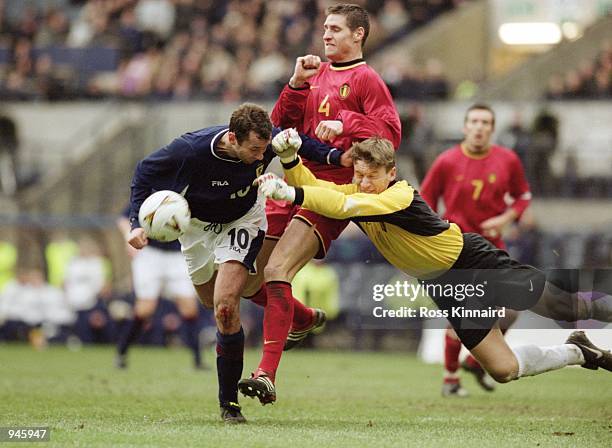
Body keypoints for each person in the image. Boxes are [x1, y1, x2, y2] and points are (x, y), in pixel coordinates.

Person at [248, 132, 611, 402]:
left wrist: (291, 193)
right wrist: (292, 161)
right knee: (504, 370)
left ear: (390, 173)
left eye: (369, 176)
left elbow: (337, 206)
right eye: (357, 175)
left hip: (474, 262)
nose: (360, 183)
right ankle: (577, 350)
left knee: (569, 307)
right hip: (444, 285)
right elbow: (320, 189)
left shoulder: (398, 195)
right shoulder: (360, 193)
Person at [128, 103, 344, 423]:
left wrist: (337, 157)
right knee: (210, 303)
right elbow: (144, 171)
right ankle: (301, 316)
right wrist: (136, 222)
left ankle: (229, 404)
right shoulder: (189, 150)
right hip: (196, 229)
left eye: (264, 149)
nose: (261, 158)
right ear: (232, 138)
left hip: (244, 220)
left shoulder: (264, 143)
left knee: (226, 306)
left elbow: (297, 140)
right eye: (255, 150)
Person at [239, 3, 401, 405]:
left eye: (335, 29)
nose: (326, 34)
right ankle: (305, 317)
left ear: (358, 35)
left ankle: (266, 374)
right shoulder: (317, 74)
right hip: (293, 178)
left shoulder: (367, 79)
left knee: (277, 269)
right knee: (248, 280)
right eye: (325, 28)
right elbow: (279, 125)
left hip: (331, 191)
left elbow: (390, 136)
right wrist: (294, 84)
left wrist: (349, 123)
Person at [420, 104, 532, 396]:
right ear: (464, 127)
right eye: (474, 121)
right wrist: (438, 231)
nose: (479, 127)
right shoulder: (447, 161)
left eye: (485, 122)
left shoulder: (508, 160)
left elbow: (523, 196)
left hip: (493, 246)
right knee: (462, 313)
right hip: (457, 249)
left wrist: (506, 218)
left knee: (511, 309)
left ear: (492, 129)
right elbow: (425, 200)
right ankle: (450, 378)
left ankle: (473, 362)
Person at [115, 206, 203, 371]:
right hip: (150, 253)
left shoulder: (188, 189)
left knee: (190, 309)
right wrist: (130, 237)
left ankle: (198, 361)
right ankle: (121, 352)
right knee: (145, 309)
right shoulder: (152, 190)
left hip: (179, 254)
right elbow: (123, 218)